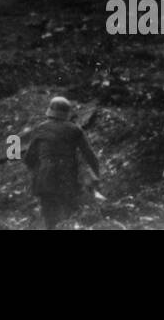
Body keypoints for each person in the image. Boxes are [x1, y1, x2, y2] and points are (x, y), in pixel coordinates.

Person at [23, 96, 101, 230]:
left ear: (50, 111)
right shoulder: (75, 130)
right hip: (67, 180)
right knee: (70, 217)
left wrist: (36, 172)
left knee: (50, 220)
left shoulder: (40, 129)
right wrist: (97, 181)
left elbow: (28, 159)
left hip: (45, 180)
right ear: (67, 113)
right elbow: (91, 157)